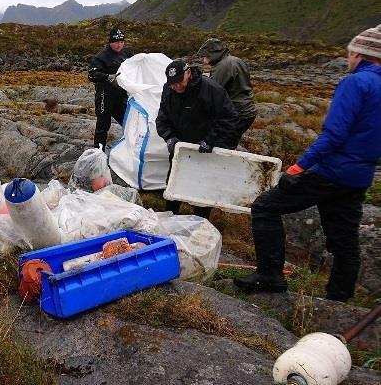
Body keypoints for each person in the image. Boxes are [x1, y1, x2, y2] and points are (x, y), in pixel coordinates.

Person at [234, 25, 381, 302]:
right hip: (359, 176)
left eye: (350, 53)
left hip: (331, 172)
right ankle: (338, 300)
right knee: (344, 240)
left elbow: (334, 135)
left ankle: (270, 276)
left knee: (265, 207)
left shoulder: (356, 83)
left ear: (361, 54)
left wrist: (299, 167)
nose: (348, 59)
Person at [156, 59, 238, 218]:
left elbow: (229, 118)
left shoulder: (211, 89)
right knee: (173, 185)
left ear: (188, 73)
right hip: (180, 149)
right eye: (172, 83)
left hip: (204, 150)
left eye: (179, 82)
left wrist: (211, 141)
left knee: (202, 190)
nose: (176, 87)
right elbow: (162, 119)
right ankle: (169, 218)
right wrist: (170, 138)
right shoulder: (169, 89)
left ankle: (200, 225)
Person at [197, 38, 257, 147]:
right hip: (248, 110)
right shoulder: (236, 60)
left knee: (223, 144)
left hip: (237, 112)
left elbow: (213, 90)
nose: (203, 60)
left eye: (204, 56)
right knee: (231, 140)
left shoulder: (222, 66)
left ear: (212, 54)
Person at [87, 27, 133, 148]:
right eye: (116, 42)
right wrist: (107, 77)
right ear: (110, 42)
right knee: (103, 125)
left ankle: (130, 148)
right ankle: (98, 152)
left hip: (120, 95)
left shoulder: (126, 53)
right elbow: (91, 75)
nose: (119, 45)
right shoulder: (101, 57)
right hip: (104, 95)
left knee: (129, 121)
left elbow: (134, 66)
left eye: (122, 42)